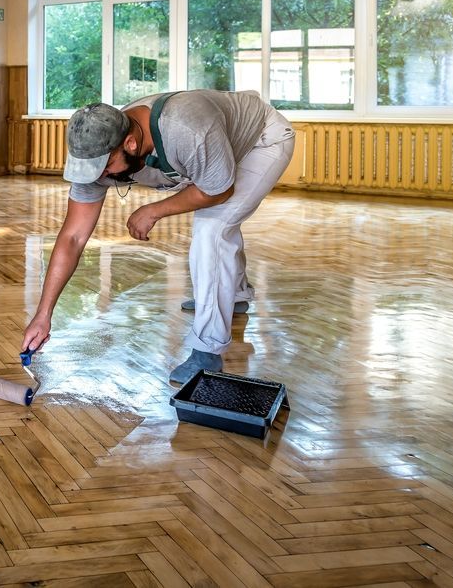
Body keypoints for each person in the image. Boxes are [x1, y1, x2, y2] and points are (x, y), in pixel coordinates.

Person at [21, 89, 295, 385]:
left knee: (213, 228)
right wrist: (43, 314)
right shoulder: (98, 149)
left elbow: (218, 191)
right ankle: (235, 295)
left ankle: (208, 349)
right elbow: (72, 237)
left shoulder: (186, 128)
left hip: (260, 141)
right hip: (214, 149)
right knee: (220, 221)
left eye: (105, 168)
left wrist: (153, 211)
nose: (99, 177)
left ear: (130, 143)